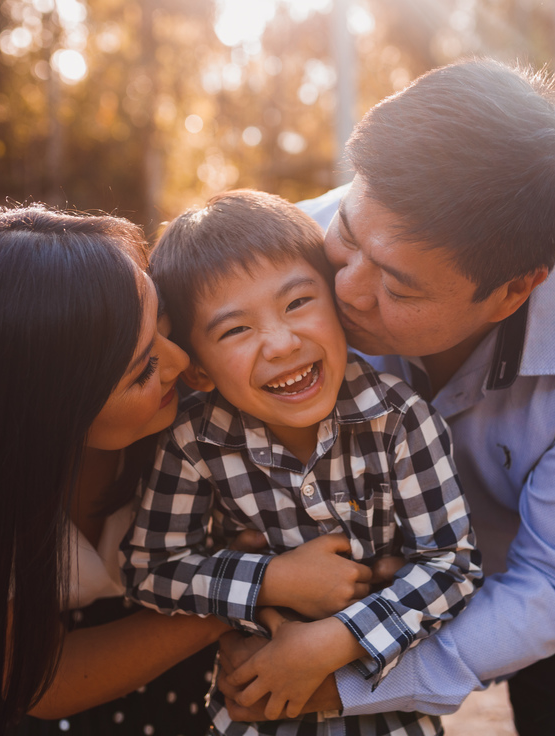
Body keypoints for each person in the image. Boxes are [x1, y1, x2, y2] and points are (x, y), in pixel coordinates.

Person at [217, 59, 555, 736]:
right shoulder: (289, 255)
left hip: (544, 562)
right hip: (356, 563)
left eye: (399, 289)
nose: (344, 291)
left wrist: (345, 682)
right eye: (349, 234)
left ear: (516, 289)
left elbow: (554, 585)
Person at [121, 190, 483, 736]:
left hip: (385, 717)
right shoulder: (193, 441)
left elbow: (451, 566)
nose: (281, 342)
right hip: (254, 718)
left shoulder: (401, 421)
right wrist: (271, 581)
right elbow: (150, 568)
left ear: (338, 304)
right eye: (236, 330)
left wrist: (336, 638)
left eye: (297, 303)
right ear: (197, 370)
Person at [0, 205, 226, 736]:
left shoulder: (207, 374)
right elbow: (30, 678)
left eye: (162, 317)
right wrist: (238, 603)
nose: (178, 361)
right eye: (143, 367)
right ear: (51, 414)